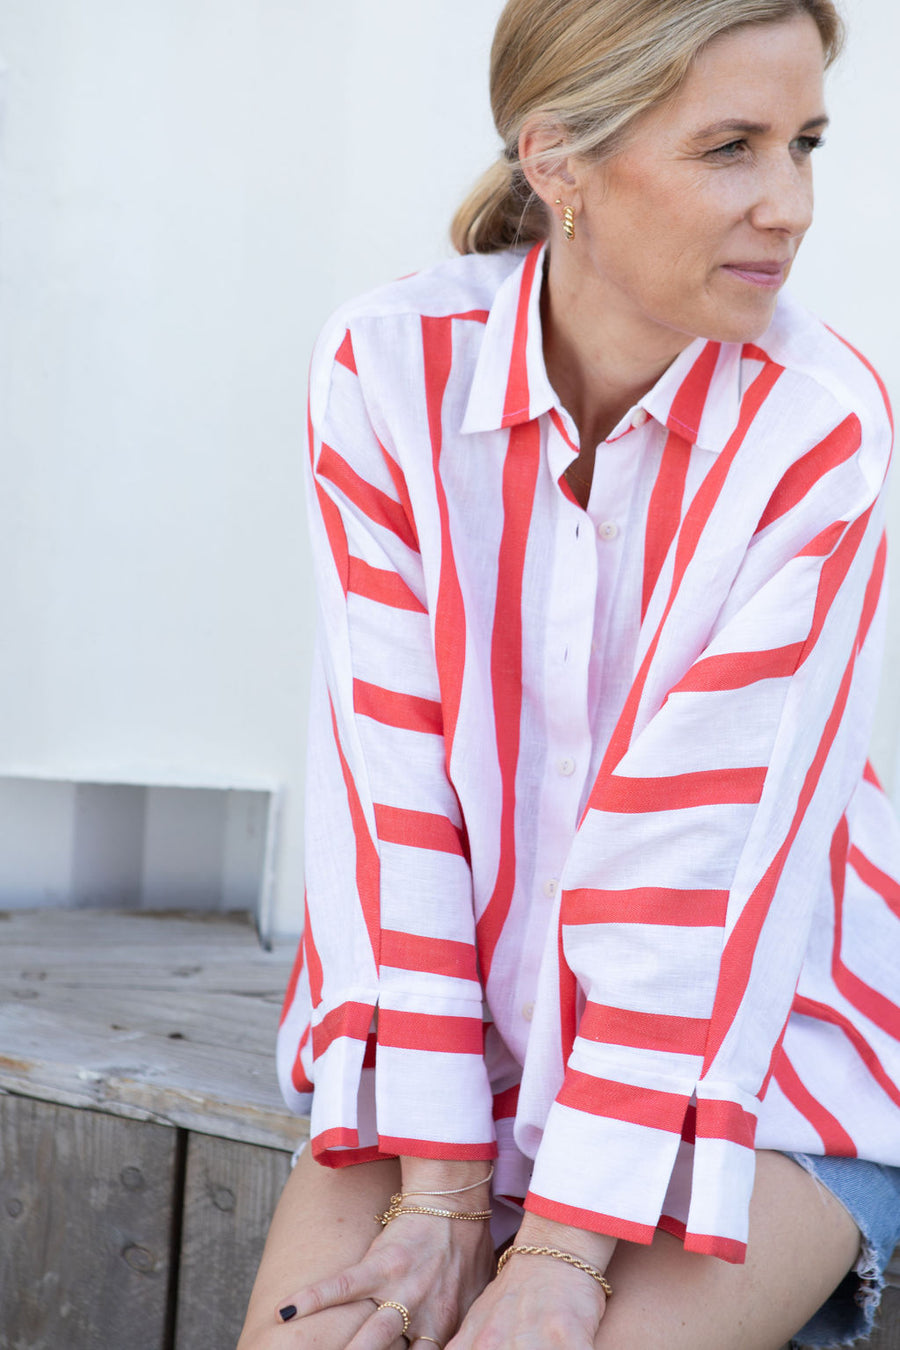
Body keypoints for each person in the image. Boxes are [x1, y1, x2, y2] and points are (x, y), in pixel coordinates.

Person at [239, 1, 900, 1346]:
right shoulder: (384, 368)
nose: (791, 203)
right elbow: (392, 791)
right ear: (558, 162)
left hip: (755, 1034)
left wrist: (558, 1246)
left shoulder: (821, 430)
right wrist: (436, 1194)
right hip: (451, 1016)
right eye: (732, 146)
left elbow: (700, 865)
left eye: (806, 143)